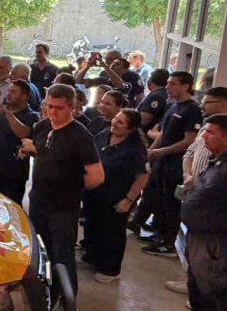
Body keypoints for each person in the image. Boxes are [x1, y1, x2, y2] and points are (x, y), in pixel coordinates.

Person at [20, 84, 104, 311]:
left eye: (59, 108)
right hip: (38, 201)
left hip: (63, 208)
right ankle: (44, 295)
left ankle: (68, 304)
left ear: (72, 107)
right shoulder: (43, 125)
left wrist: (70, 185)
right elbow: (43, 150)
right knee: (41, 251)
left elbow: (97, 177)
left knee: (62, 255)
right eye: (49, 106)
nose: (53, 112)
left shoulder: (80, 136)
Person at [164, 113, 227, 311]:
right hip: (198, 235)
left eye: (210, 132)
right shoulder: (218, 161)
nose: (203, 136)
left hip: (216, 242)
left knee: (214, 294)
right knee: (196, 286)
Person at [163, 87, 227, 294]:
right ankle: (193, 285)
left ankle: (204, 298)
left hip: (213, 213)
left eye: (207, 102)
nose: (202, 105)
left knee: (210, 261)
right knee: (194, 250)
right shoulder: (206, 127)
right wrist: (188, 176)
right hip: (194, 189)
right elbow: (189, 152)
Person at [132, 72, 202, 257]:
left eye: (172, 84)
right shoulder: (172, 104)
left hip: (175, 164)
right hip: (161, 161)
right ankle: (159, 234)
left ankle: (168, 243)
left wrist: (163, 151)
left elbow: (189, 140)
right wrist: (152, 150)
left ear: (185, 85)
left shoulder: (191, 109)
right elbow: (163, 132)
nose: (168, 87)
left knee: (171, 203)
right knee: (158, 198)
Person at [82, 109, 149, 282]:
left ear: (130, 129)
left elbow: (142, 176)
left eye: (120, 122)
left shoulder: (135, 149)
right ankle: (94, 256)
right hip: (95, 193)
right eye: (115, 119)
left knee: (112, 233)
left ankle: (110, 269)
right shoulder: (104, 135)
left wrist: (128, 200)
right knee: (93, 226)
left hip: (117, 197)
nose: (114, 123)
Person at [137, 68, 170, 133]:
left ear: (150, 81)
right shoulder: (165, 94)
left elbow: (143, 121)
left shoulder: (155, 96)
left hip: (145, 134)